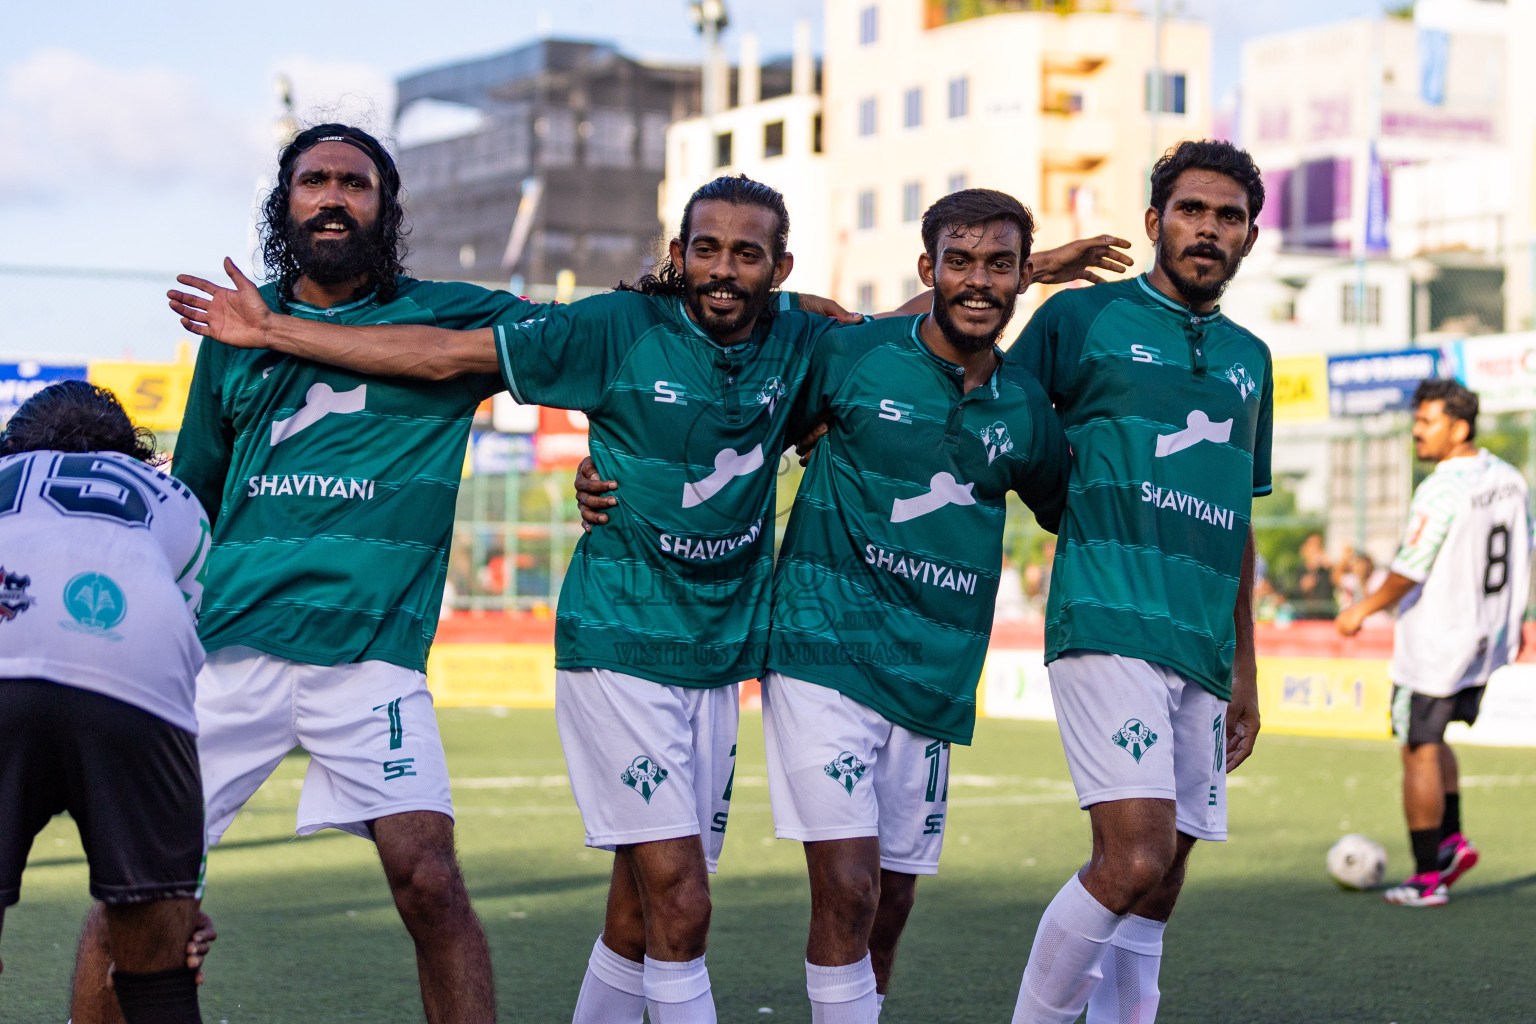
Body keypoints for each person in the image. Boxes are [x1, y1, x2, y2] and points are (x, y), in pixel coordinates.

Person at [166, 171, 1129, 1022]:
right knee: (684, 902)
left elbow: (921, 324)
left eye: (746, 255)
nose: (723, 268)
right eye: (705, 248)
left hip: (716, 660)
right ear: (676, 253)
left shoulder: (805, 343)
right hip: (617, 644)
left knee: (639, 915)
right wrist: (275, 329)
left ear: (777, 267)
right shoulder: (611, 328)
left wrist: (1030, 270)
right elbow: (447, 358)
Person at [73, 122, 553, 1024]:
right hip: (230, 653)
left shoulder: (451, 314)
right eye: (314, 180)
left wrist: (606, 465)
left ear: (387, 206)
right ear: (284, 203)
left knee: (431, 884)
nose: (333, 196)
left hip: (370, 660)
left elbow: (596, 354)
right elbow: (193, 502)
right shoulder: (230, 337)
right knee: (134, 892)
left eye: (356, 183)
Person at [1007, 139, 1269, 1024]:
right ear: (1154, 223)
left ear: (1250, 239)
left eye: (1228, 217)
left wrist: (1245, 667)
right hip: (1107, 613)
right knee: (1134, 859)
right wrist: (1033, 270)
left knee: (1161, 886)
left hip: (1201, 642)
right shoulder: (1079, 320)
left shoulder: (1251, 360)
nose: (1208, 229)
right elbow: (968, 379)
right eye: (1192, 211)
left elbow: (1240, 518)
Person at [0, 381, 211, 1024]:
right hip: (132, 671)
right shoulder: (176, 499)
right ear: (131, 451)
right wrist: (173, 900)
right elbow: (177, 640)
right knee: (160, 976)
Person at [1337, 379, 1531, 906]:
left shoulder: (1442, 487)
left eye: (1427, 422)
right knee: (1436, 736)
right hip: (1485, 638)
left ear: (1459, 427)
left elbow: (1407, 570)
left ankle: (1426, 878)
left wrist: (1361, 609)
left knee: (1417, 748)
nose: (1416, 433)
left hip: (1438, 641)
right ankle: (1450, 841)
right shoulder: (1510, 478)